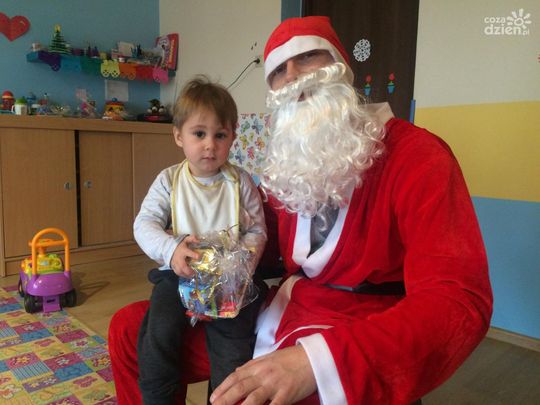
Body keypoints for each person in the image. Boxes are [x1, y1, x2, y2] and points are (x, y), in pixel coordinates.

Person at [109, 16, 493, 405]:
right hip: (288, 309)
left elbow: (459, 301)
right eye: (278, 70)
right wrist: (207, 269)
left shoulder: (418, 156)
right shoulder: (291, 166)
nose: (292, 76)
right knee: (129, 330)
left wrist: (317, 363)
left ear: (340, 67)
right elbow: (266, 246)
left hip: (363, 329)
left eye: (307, 56)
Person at [130, 75, 267, 404]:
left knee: (233, 346)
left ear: (233, 136)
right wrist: (171, 249)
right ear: (179, 135)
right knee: (159, 332)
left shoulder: (241, 182)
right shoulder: (169, 180)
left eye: (220, 135)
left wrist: (242, 267)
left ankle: (223, 398)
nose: (210, 145)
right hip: (178, 273)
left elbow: (257, 231)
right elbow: (144, 224)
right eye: (199, 134)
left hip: (229, 281)